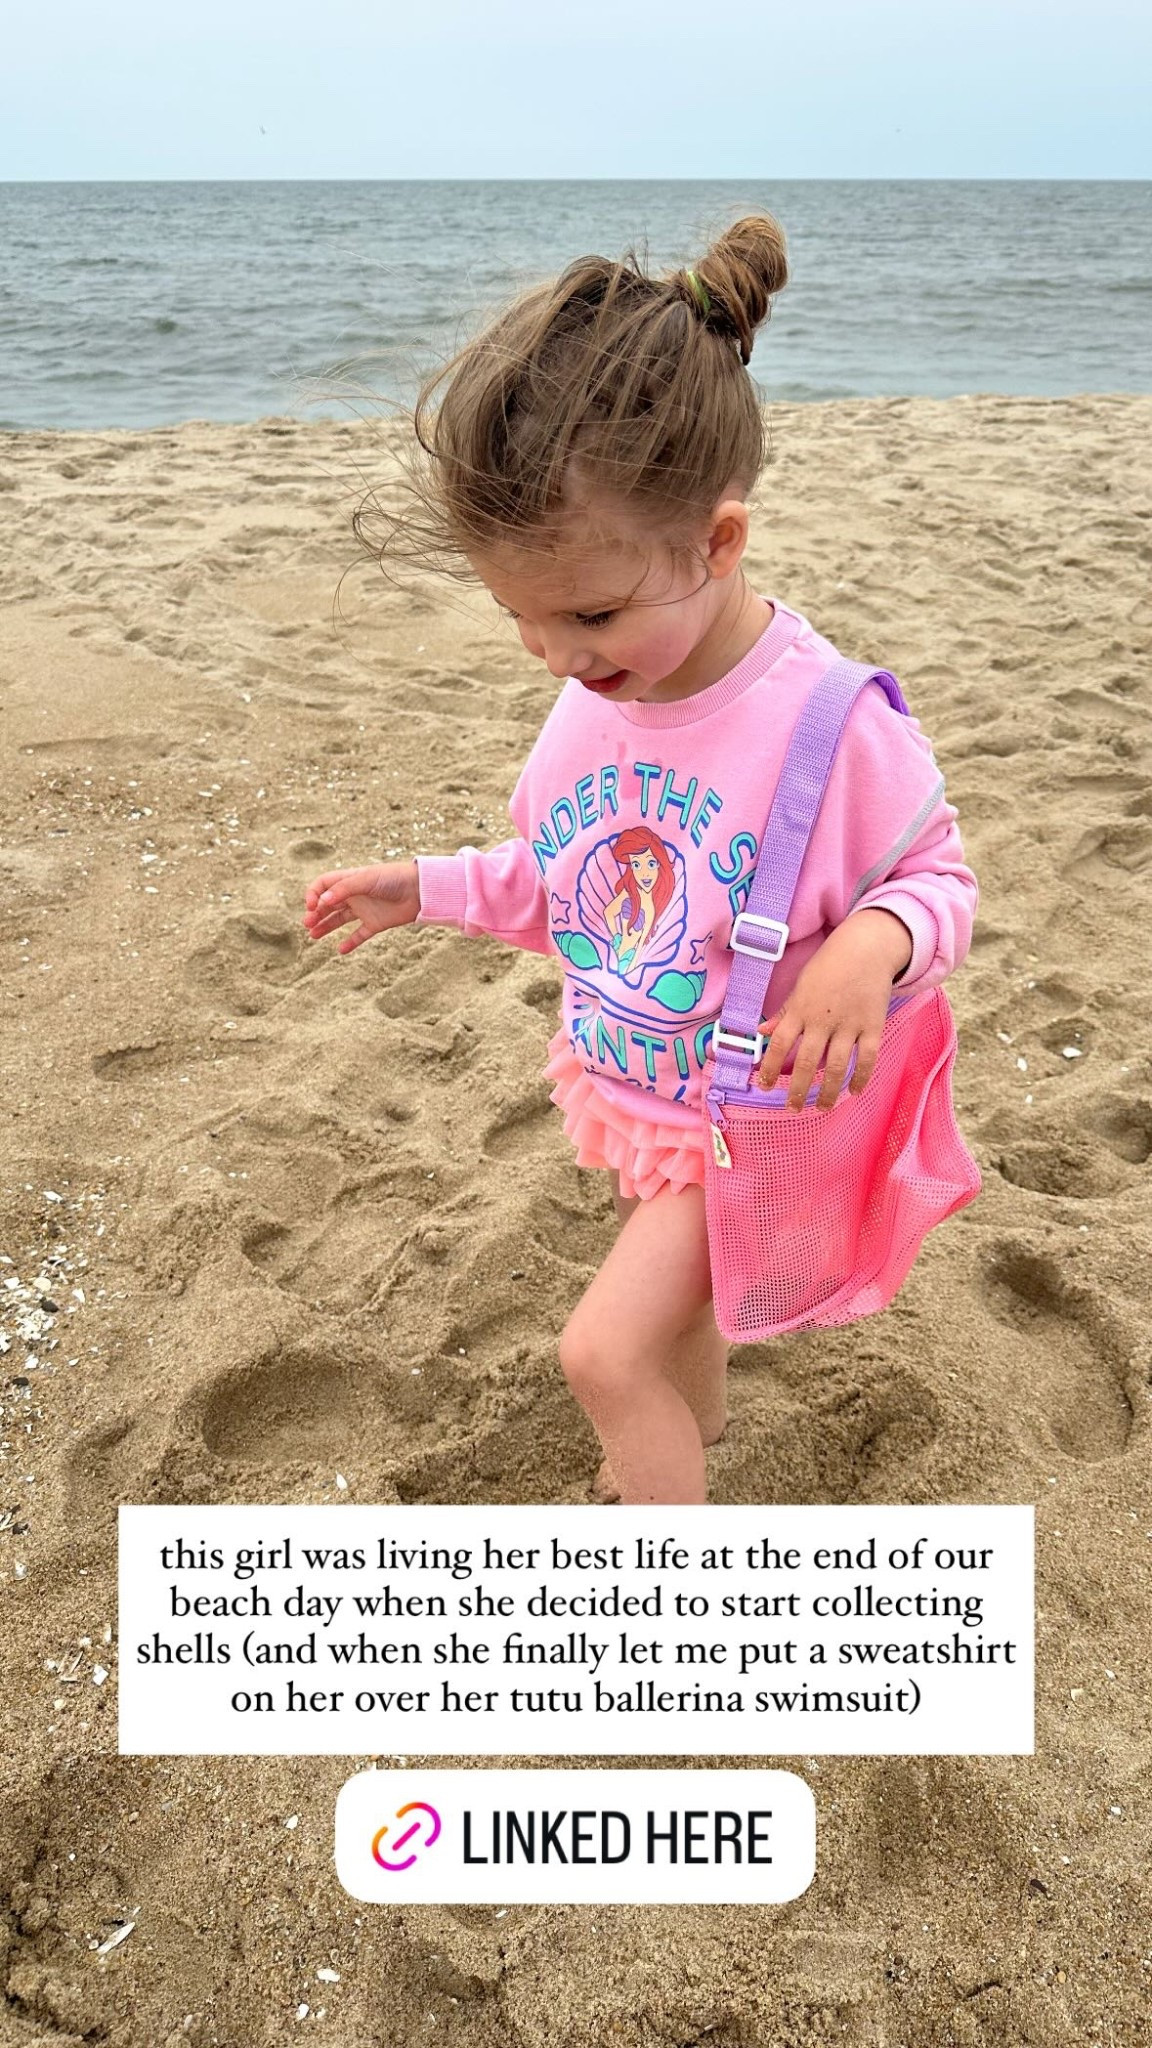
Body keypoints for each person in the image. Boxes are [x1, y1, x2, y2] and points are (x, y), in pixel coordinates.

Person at [303, 215, 977, 1508]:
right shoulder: (598, 692)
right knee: (671, 1331)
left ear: (717, 544)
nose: (557, 654)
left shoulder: (828, 724)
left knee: (603, 1353)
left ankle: (667, 1569)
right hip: (648, 1096)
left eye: (592, 614)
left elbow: (940, 881)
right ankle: (695, 1435)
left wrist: (869, 948)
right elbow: (569, 885)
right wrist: (422, 890)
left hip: (755, 1114)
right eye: (519, 616)